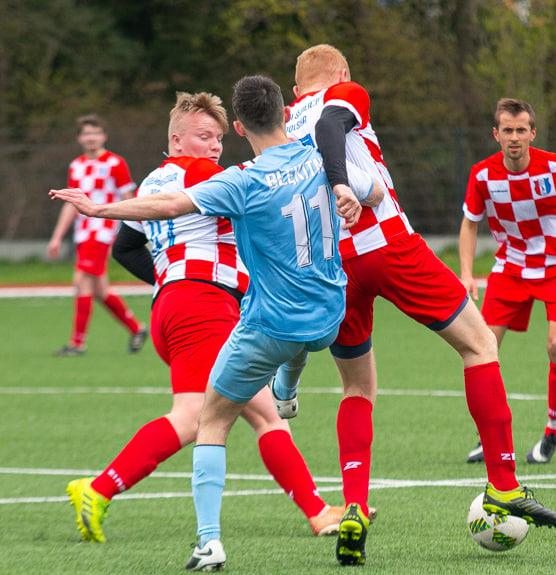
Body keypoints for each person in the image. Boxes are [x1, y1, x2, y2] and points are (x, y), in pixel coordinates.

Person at [51, 75, 375, 571]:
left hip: (178, 305)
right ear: (176, 139)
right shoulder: (206, 174)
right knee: (200, 418)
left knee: (256, 410)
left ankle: (316, 510)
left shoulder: (154, 177)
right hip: (204, 306)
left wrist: (170, 277)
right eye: (205, 136)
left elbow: (126, 247)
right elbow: (220, 207)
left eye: (220, 137)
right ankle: (99, 489)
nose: (216, 146)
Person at [283, 44, 556, 567]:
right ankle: (504, 483)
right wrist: (345, 182)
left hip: (329, 266)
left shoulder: (282, 125)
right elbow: (330, 128)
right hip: (385, 245)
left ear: (295, 89)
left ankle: (355, 506)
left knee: (356, 387)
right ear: (341, 74)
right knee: (480, 345)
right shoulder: (344, 94)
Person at [459, 98, 556, 465]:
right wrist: (466, 273)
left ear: (532, 133)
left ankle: (553, 430)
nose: (514, 137)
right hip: (510, 269)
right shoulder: (482, 175)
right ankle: (489, 434)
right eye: (507, 130)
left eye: (521, 130)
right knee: (482, 347)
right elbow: (469, 222)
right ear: (496, 134)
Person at [47, 114, 148, 356]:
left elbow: (128, 198)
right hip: (83, 233)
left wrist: (135, 230)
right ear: (80, 138)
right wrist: (57, 237)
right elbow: (70, 204)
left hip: (103, 231)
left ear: (104, 136)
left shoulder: (115, 163)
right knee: (100, 290)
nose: (91, 137)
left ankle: (77, 343)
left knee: (81, 282)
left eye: (96, 132)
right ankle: (137, 328)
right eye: (86, 133)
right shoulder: (76, 165)